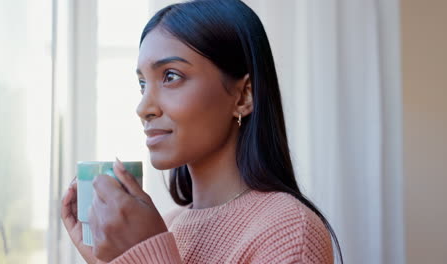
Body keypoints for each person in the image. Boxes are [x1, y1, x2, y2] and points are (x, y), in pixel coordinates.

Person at [61, 0, 343, 263]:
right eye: (142, 84)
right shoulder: (167, 226)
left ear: (243, 95)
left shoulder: (290, 232)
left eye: (170, 76)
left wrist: (146, 253)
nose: (143, 107)